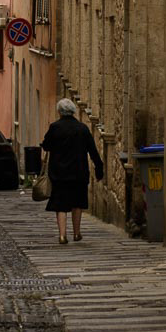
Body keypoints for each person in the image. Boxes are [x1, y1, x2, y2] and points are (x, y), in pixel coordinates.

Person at [41, 98, 103, 244]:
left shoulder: (55, 127)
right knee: (77, 203)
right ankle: (76, 233)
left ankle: (62, 235)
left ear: (59, 112)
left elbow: (46, 145)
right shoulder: (82, 128)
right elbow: (93, 151)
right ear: (73, 111)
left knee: (60, 204)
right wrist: (99, 169)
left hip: (59, 173)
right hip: (79, 172)